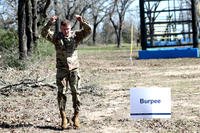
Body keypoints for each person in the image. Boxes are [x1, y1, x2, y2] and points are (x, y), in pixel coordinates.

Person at [41, 15, 92, 129]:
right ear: (61, 29)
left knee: (76, 93)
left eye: (67, 29)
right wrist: (50, 23)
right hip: (61, 70)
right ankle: (63, 117)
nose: (66, 31)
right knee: (61, 93)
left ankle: (76, 116)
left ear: (70, 28)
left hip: (74, 69)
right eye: (64, 29)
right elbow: (43, 33)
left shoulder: (76, 35)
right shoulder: (56, 37)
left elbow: (89, 30)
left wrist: (82, 21)